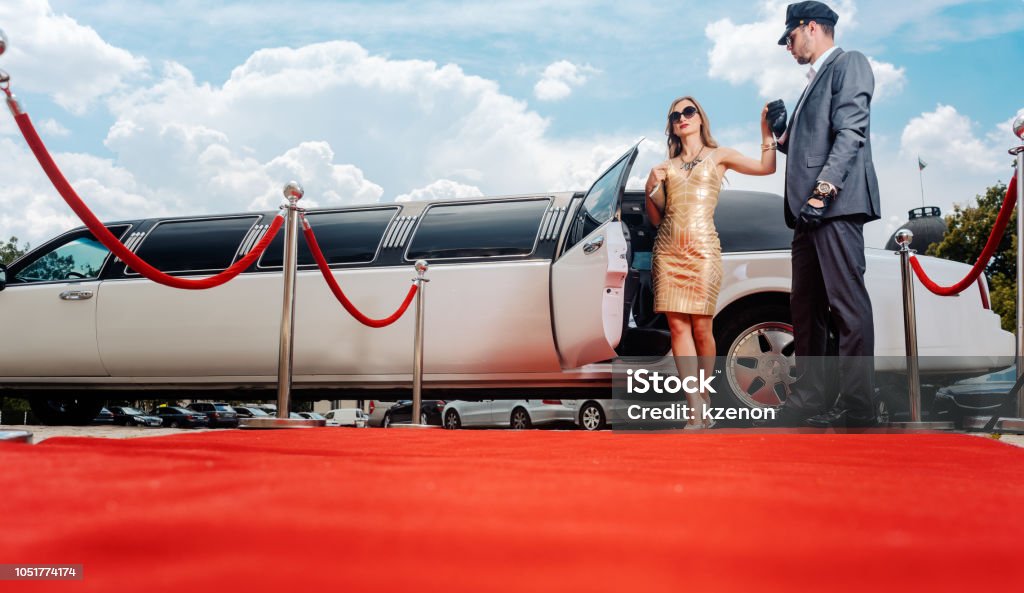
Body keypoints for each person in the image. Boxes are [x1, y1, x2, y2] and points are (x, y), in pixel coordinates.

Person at [766, 1, 882, 428]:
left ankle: (858, 407)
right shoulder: (811, 83)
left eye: (791, 36)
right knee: (806, 309)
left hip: (833, 204)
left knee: (846, 306)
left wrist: (823, 190)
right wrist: (783, 135)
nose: (788, 46)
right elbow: (811, 144)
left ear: (811, 27)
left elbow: (852, 130)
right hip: (805, 214)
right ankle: (811, 400)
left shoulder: (849, 63)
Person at [645, 96, 777, 428]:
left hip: (703, 250)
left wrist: (766, 132)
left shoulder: (721, 156)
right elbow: (655, 219)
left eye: (688, 112)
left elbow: (767, 168)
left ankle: (704, 396)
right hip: (668, 250)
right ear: (672, 125)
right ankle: (694, 406)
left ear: (700, 118)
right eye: (675, 115)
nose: (682, 118)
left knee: (702, 327)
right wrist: (652, 186)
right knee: (678, 327)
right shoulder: (665, 167)